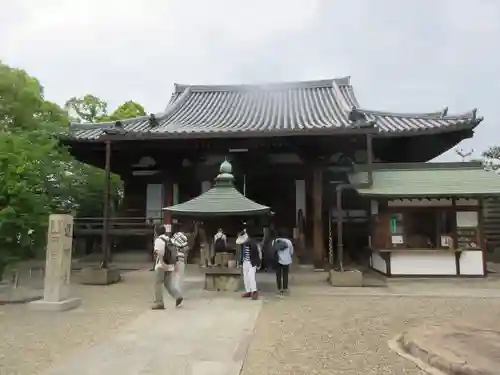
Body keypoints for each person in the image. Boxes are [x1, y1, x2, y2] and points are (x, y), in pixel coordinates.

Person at [151, 225, 187, 310]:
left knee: (158, 283)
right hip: (170, 265)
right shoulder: (169, 240)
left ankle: (159, 302)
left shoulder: (159, 240)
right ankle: (178, 296)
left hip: (161, 265)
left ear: (157, 232)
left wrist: (162, 263)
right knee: (168, 284)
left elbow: (159, 253)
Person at [237, 228, 261, 300]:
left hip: (251, 262)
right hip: (245, 262)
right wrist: (240, 261)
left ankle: (254, 291)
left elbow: (257, 254)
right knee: (246, 277)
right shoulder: (243, 244)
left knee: (251, 277)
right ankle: (248, 291)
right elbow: (241, 253)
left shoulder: (253, 243)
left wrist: (258, 263)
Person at [172, 231, 190, 296]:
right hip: (180, 261)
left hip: (175, 261)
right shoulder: (184, 247)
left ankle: (176, 291)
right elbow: (186, 254)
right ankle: (178, 292)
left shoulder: (174, 245)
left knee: (176, 277)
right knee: (179, 277)